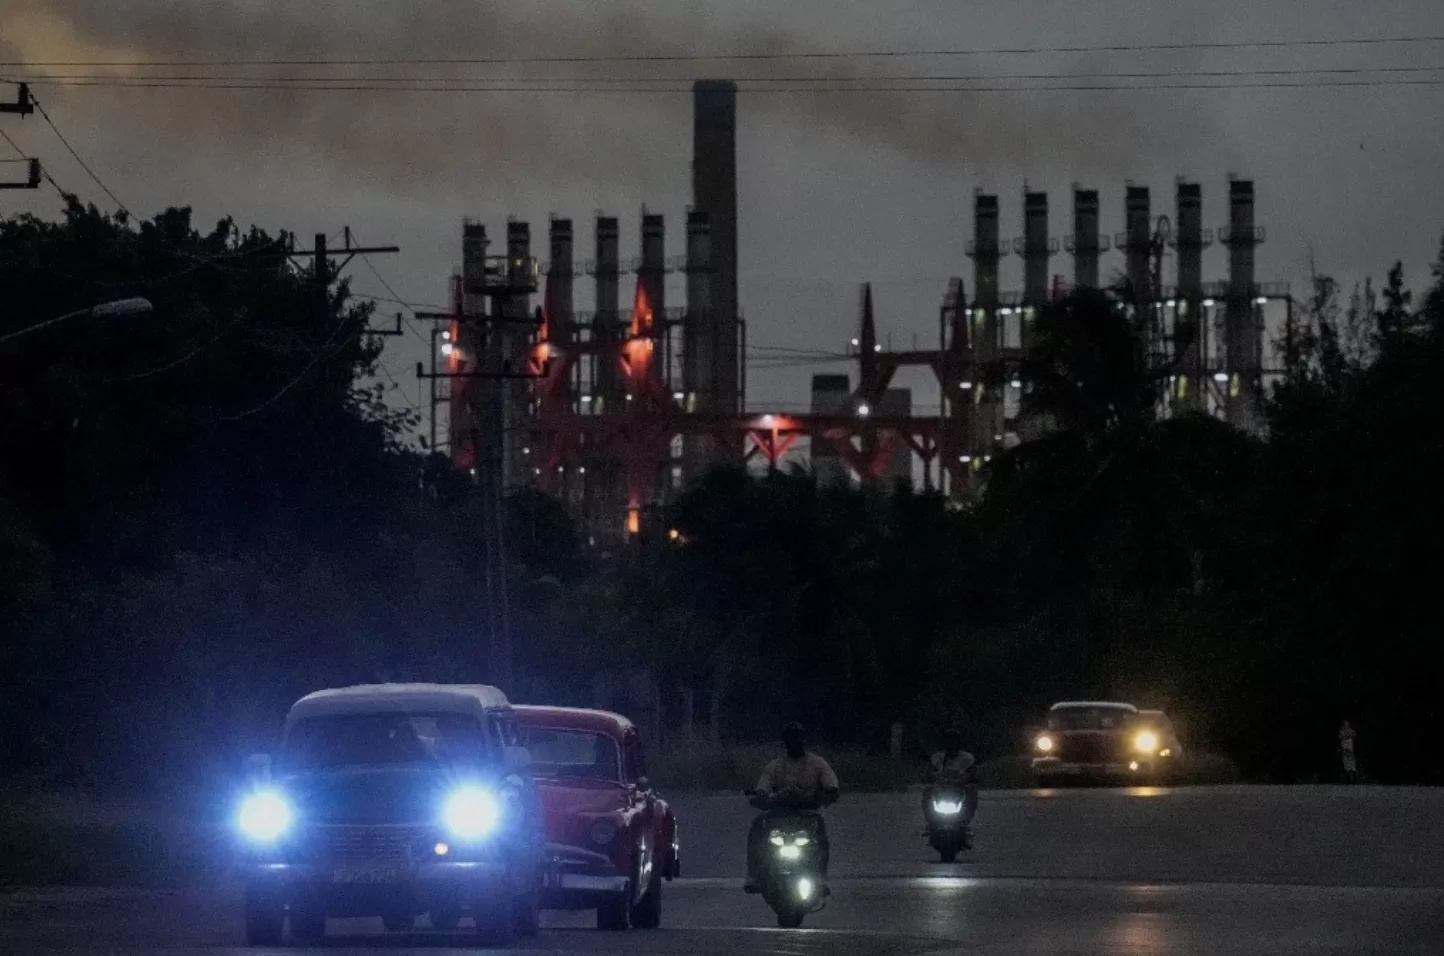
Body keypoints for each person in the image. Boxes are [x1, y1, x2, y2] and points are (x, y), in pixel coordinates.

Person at [744, 722, 839, 893]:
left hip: (808, 813)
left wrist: (829, 793)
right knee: (758, 825)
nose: (794, 743)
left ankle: (820, 877)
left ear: (804, 741)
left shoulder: (817, 764)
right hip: (778, 813)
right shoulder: (775, 766)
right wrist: (760, 797)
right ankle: (754, 874)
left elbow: (831, 785)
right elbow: (763, 787)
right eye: (790, 740)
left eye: (797, 739)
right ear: (785, 742)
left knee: (821, 836)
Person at [924, 727, 979, 834]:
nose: (951, 744)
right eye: (949, 741)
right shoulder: (937, 757)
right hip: (941, 788)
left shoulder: (967, 758)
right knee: (927, 791)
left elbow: (973, 774)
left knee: (972, 791)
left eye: (954, 741)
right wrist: (933, 777)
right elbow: (929, 773)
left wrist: (965, 779)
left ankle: (965, 821)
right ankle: (931, 821)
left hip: (960, 787)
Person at [1339, 720, 1359, 784]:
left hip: (1350, 749)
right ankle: (1347, 780)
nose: (1346, 725)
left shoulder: (1350, 730)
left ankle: (1353, 779)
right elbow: (1340, 736)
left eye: (1347, 724)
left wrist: (1346, 736)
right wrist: (1347, 736)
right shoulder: (1341, 730)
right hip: (1344, 748)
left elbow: (1354, 734)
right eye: (1345, 724)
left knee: (1351, 764)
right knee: (1345, 763)